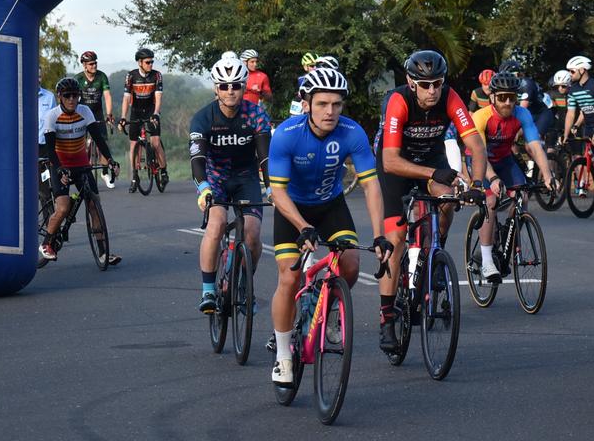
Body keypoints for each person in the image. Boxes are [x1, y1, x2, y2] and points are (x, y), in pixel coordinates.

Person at [268, 66, 391, 385]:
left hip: (331, 205)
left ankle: (332, 307)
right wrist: (302, 225)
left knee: (350, 264)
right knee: (289, 276)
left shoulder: (352, 133)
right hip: (292, 208)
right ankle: (283, 356)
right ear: (306, 103)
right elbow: (277, 191)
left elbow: (372, 186)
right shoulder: (286, 134)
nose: (330, 111)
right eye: (322, 104)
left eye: (336, 104)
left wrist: (379, 234)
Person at [375, 49, 487, 353]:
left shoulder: (451, 98)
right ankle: (387, 318)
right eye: (425, 85)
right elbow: (390, 161)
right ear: (411, 83)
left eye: (437, 83)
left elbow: (475, 145)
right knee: (396, 240)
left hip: (430, 160)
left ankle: (436, 251)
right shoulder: (398, 101)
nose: (433, 91)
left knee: (449, 198)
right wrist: (434, 172)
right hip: (397, 165)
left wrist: (477, 184)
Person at [191, 56, 272, 313]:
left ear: (243, 86)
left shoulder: (256, 114)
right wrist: (203, 187)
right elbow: (198, 158)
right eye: (224, 86)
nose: (230, 91)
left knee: (253, 233)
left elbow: (265, 157)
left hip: (246, 178)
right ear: (216, 88)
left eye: (235, 85)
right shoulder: (203, 117)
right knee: (215, 225)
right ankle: (208, 291)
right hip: (215, 179)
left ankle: (243, 284)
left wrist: (271, 188)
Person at [471, 72, 556, 281]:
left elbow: (534, 146)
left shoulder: (522, 115)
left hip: (504, 159)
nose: (507, 102)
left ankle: (508, 241)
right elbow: (480, 154)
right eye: (502, 97)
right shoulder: (481, 117)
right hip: (481, 162)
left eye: (511, 97)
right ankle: (487, 260)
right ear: (492, 97)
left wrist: (547, 175)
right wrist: (492, 179)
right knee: (490, 200)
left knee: (522, 197)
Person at [40, 77, 121, 264]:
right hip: (60, 164)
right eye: (67, 96)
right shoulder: (52, 116)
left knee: (94, 205)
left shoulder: (85, 112)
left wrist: (110, 160)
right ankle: (46, 244)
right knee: (63, 207)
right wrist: (59, 169)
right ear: (60, 97)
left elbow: (99, 139)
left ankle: (103, 253)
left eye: (75, 95)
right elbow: (50, 150)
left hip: (81, 163)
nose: (72, 99)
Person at [120, 47, 168, 192]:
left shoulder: (157, 75)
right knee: (134, 145)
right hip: (136, 111)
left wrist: (156, 113)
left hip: (151, 111)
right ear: (139, 62)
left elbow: (158, 98)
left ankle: (164, 171)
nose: (150, 64)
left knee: (155, 142)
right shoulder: (131, 76)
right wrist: (123, 117)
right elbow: (126, 98)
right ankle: (135, 177)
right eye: (148, 62)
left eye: (152, 62)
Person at [562, 55, 594, 184]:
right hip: (588, 126)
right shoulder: (573, 90)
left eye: (572, 71)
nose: (570, 74)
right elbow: (571, 113)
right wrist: (567, 134)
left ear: (582, 70)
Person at [75, 50, 115, 187]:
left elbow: (107, 96)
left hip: (97, 113)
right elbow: (73, 99)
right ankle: (83, 172)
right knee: (82, 146)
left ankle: (104, 172)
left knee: (103, 142)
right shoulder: (78, 79)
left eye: (95, 63)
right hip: (82, 113)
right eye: (91, 64)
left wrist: (109, 114)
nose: (94, 66)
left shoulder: (102, 76)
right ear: (85, 65)